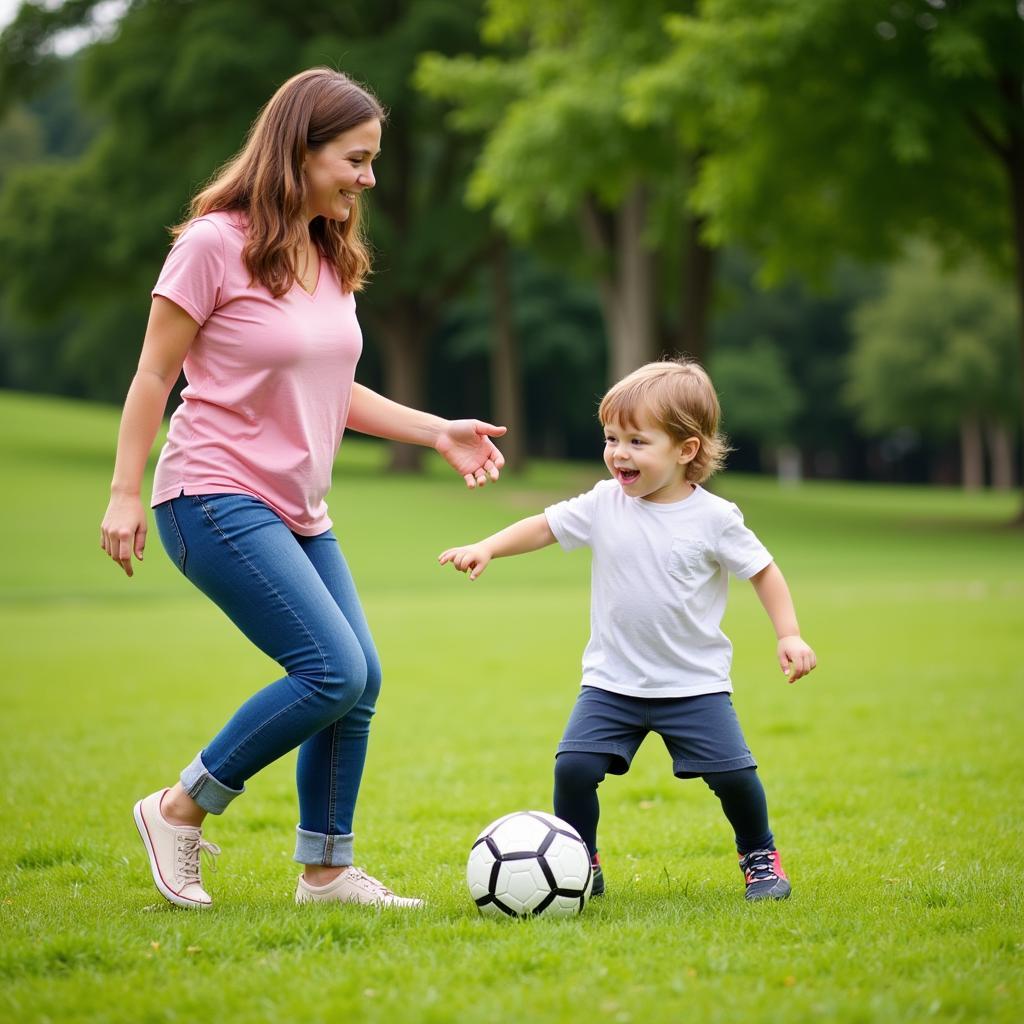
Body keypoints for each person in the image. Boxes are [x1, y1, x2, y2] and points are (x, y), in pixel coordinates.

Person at [101, 68, 506, 911]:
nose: (367, 179)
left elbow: (333, 387)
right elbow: (151, 375)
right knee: (330, 670)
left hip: (298, 509)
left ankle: (325, 873)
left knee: (361, 679)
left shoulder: (326, 252)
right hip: (208, 495)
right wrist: (123, 491)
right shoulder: (214, 244)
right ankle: (178, 808)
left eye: (372, 162)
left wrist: (436, 430)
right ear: (301, 149)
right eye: (354, 160)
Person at [438, 358, 816, 901]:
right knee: (573, 768)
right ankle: (580, 863)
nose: (618, 453)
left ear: (686, 450)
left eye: (638, 441)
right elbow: (544, 526)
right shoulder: (603, 503)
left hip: (693, 685)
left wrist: (789, 634)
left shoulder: (715, 518)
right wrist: (488, 546)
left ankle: (760, 856)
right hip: (611, 682)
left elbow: (764, 572)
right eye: (611, 438)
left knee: (735, 776)